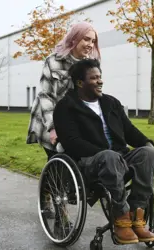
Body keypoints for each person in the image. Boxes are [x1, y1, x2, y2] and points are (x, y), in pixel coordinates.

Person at [53, 59, 154, 244]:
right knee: (109, 157)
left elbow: (129, 130)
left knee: (148, 154)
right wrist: (105, 153)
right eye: (94, 78)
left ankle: (137, 217)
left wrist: (147, 143)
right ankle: (121, 220)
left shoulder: (110, 103)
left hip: (119, 156)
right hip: (88, 161)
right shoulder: (65, 107)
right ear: (80, 83)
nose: (100, 81)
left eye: (100, 77)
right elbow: (72, 142)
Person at [26, 22, 101, 217]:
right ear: (74, 38)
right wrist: (53, 128)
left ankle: (72, 191)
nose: (90, 44)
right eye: (86, 39)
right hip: (47, 118)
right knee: (56, 159)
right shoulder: (53, 61)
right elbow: (45, 96)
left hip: (72, 120)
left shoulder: (90, 65)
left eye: (93, 41)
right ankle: (59, 210)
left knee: (77, 156)